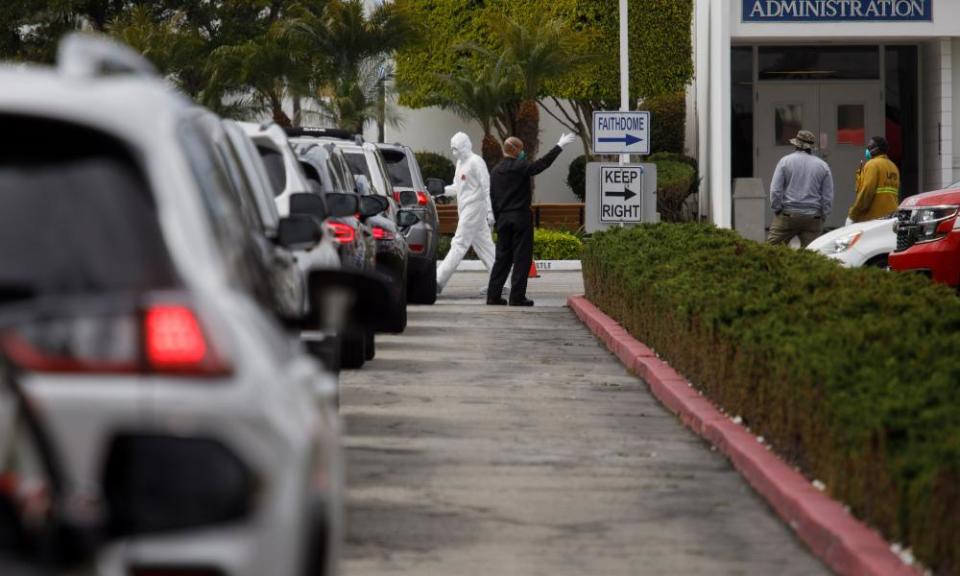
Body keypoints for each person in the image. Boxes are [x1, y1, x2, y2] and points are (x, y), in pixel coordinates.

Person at [486, 133, 577, 306]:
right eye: (521, 150)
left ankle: (493, 295)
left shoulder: (496, 171)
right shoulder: (520, 166)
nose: (523, 153)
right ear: (516, 150)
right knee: (522, 258)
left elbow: (493, 197)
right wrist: (559, 146)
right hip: (520, 217)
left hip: (503, 218)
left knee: (502, 259)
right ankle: (517, 297)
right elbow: (541, 164)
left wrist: (498, 219)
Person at [436, 132, 497, 294]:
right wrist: (440, 191)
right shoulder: (460, 163)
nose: (454, 152)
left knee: (459, 243)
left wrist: (490, 212)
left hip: (475, 208)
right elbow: (457, 187)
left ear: (465, 146)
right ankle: (502, 281)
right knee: (485, 246)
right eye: (452, 149)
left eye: (456, 149)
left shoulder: (476, 162)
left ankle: (437, 280)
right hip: (466, 210)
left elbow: (487, 188)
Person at [766, 129, 834, 247]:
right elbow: (828, 195)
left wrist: (777, 208)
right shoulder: (823, 166)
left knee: (772, 250)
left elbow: (775, 190)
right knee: (812, 253)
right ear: (811, 147)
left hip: (788, 215)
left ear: (796, 145)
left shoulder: (785, 162)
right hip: (813, 217)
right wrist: (823, 215)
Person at [846, 136, 900, 225]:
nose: (867, 150)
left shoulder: (872, 165)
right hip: (891, 217)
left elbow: (866, 191)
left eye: (869, 147)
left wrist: (853, 214)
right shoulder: (893, 167)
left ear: (876, 149)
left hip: (874, 217)